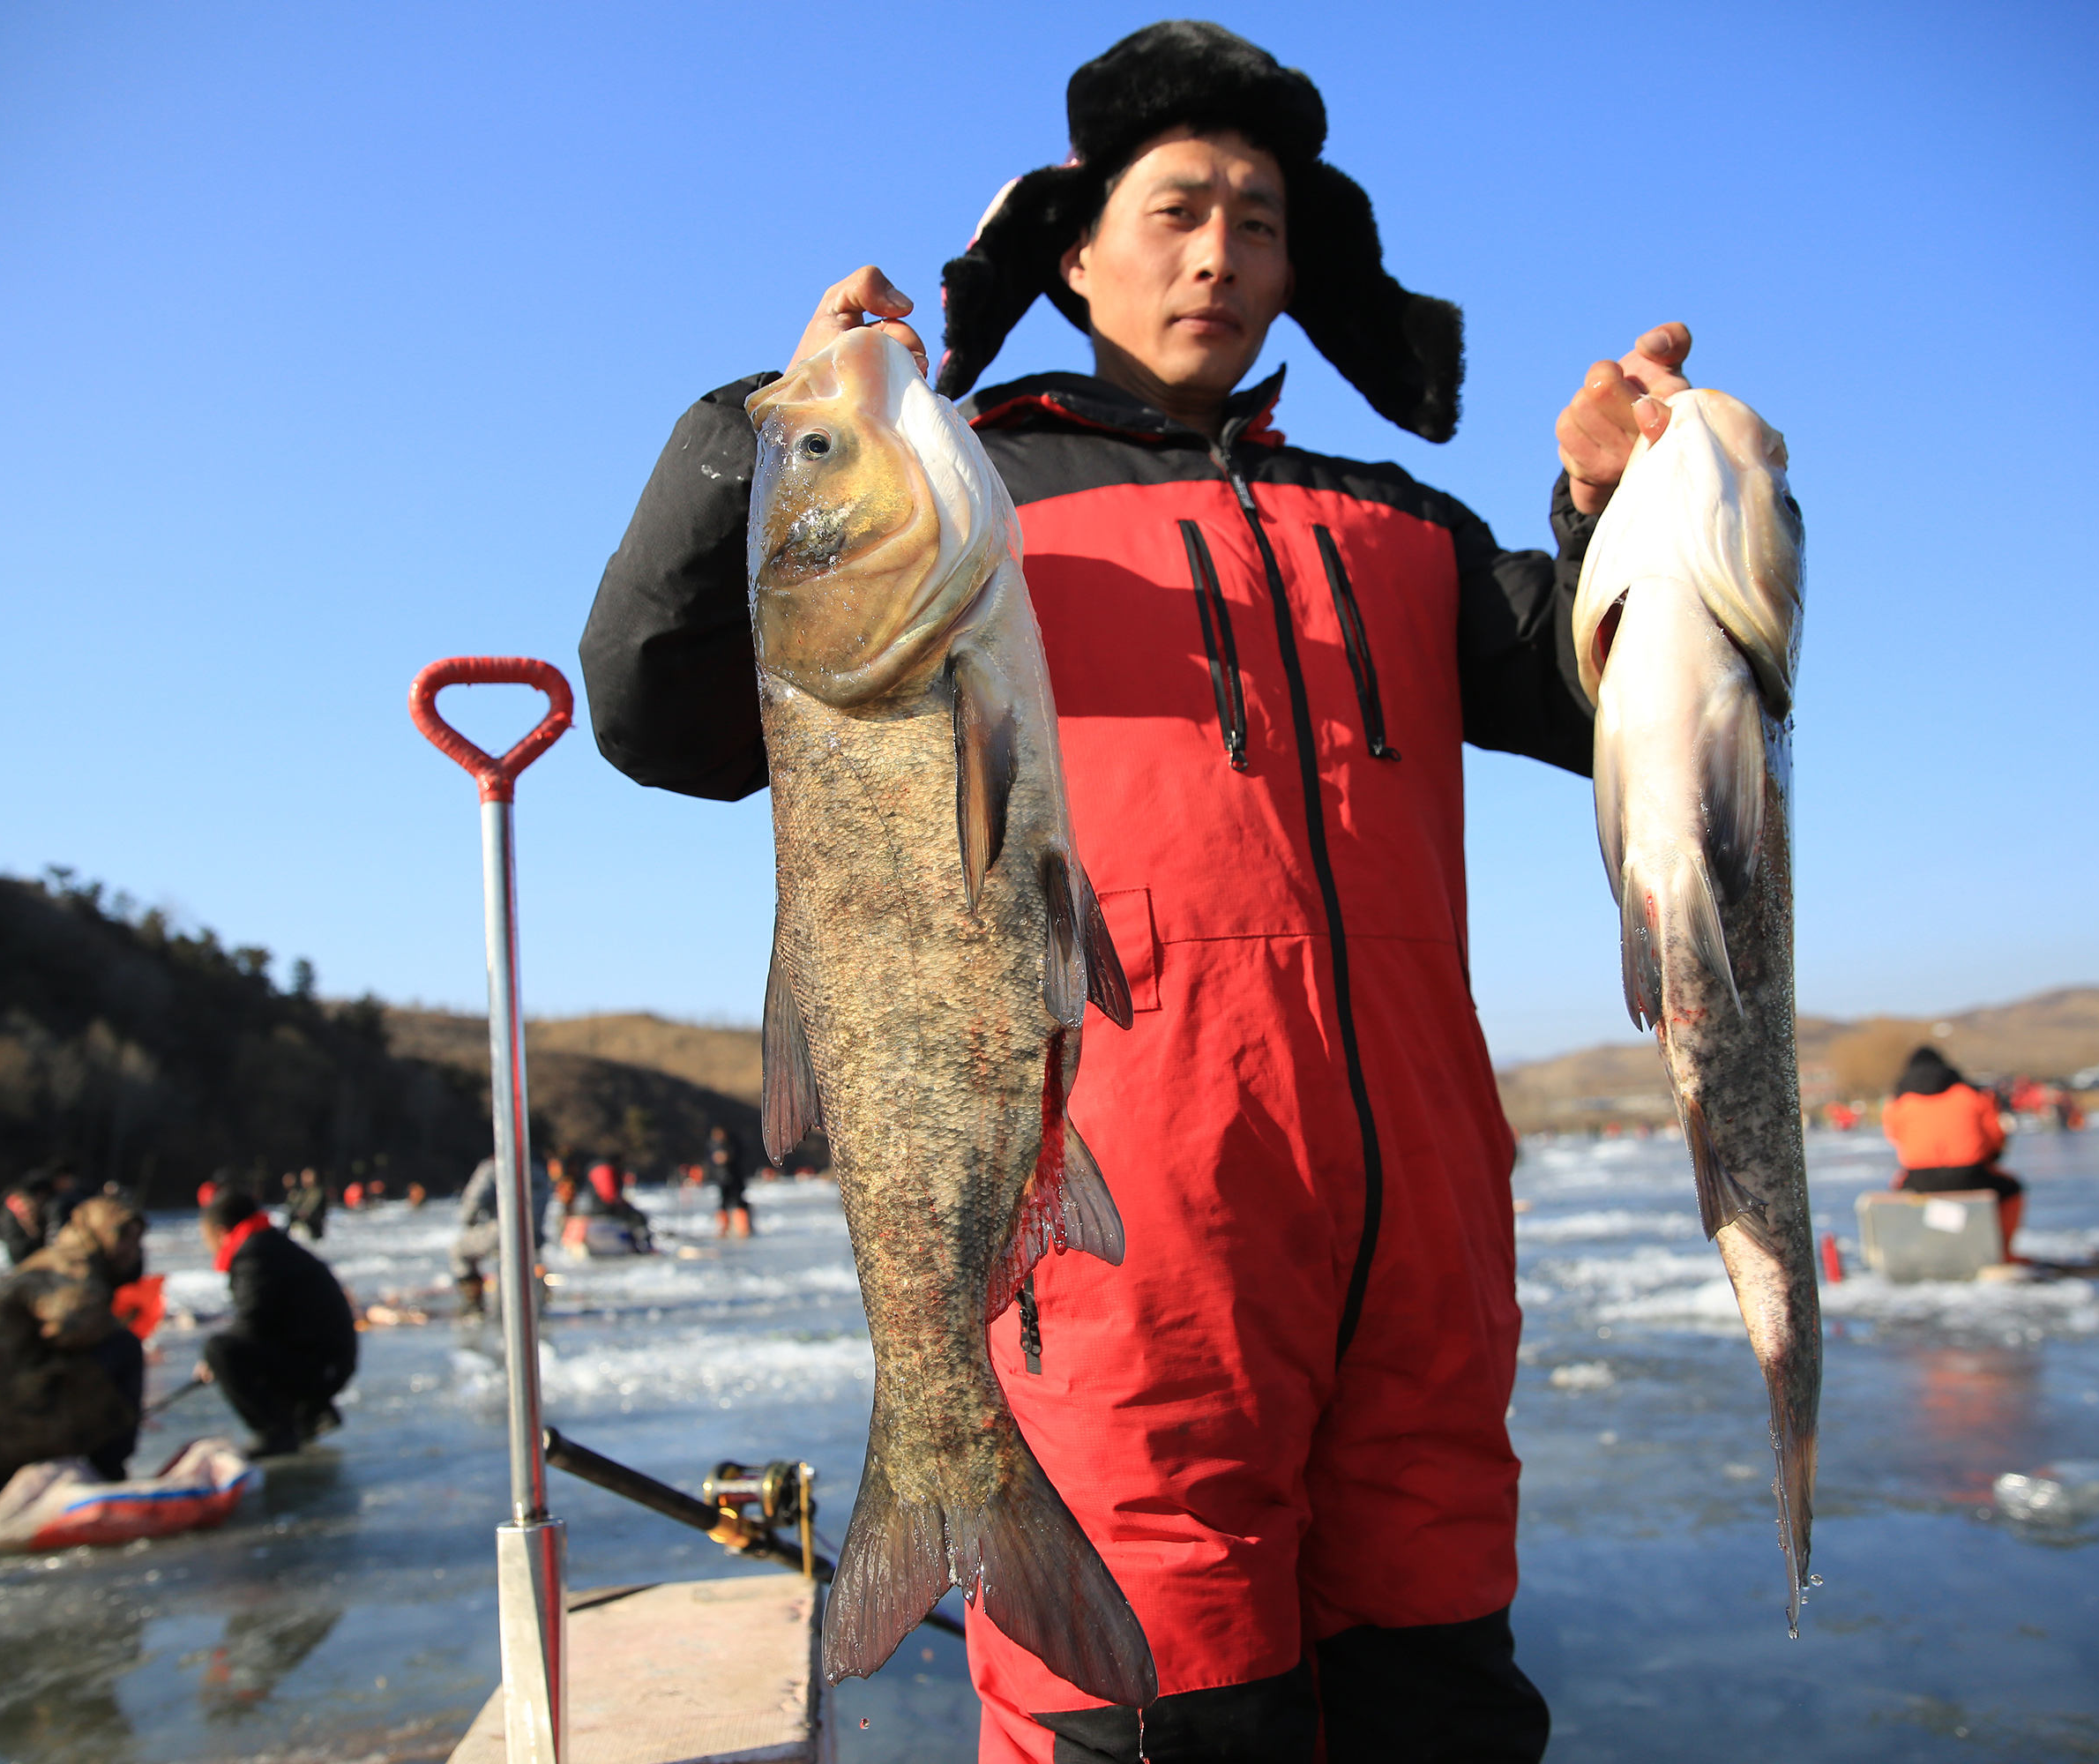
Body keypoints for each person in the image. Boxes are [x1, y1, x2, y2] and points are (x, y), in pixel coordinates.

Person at [577, 22, 1686, 1756]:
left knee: (1443, 1702)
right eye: (1176, 211)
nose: (1220, 253)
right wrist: (765, 429)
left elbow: (1623, 691)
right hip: (1124, 1254)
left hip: (1425, 1260)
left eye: (1259, 220)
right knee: (1162, 1713)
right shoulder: (954, 504)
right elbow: (662, 714)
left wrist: (1622, 505)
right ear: (1077, 249)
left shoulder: (1402, 529)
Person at [0, 1196, 148, 1552]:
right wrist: (116, 1319)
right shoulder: (71, 1266)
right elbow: (73, 1320)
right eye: (124, 1238)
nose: (132, 1250)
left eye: (137, 1240)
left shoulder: (34, 1267)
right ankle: (104, 1478)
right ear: (99, 1234)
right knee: (123, 1347)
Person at [193, 1189, 356, 1458]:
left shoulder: (255, 1253)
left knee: (219, 1349)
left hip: (323, 1364)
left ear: (221, 1232)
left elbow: (252, 1323)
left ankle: (276, 1432)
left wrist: (214, 1361)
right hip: (328, 1360)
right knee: (237, 1348)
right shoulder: (269, 1244)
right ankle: (310, 1412)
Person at [1883, 1046, 2026, 1259]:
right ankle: (2002, 1254)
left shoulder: (1898, 1100)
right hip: (1970, 1173)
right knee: (2012, 1189)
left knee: (1900, 1190)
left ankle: (1923, 1253)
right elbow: (1995, 1134)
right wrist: (1990, 1157)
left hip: (1919, 1178)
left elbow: (1896, 1137)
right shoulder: (1971, 1093)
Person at [449, 1153, 548, 1319]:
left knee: (458, 1250)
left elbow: (472, 1203)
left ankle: (474, 1302)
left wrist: (470, 1221)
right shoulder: (539, 1169)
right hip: (534, 1234)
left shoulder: (492, 1168)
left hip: (501, 1233)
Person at [707, 1125, 751, 1239]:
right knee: (723, 1203)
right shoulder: (712, 1145)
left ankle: (743, 1227)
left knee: (738, 1202)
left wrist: (729, 1157)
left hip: (735, 1178)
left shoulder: (733, 1144)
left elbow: (741, 1157)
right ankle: (723, 1228)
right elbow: (709, 1162)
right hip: (721, 1179)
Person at [288, 1167, 330, 1242]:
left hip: (313, 1229)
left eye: (308, 1176)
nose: (304, 1179)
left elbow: (311, 1209)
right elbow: (292, 1207)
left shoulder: (317, 1192)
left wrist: (304, 1213)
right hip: (299, 1226)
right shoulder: (300, 1192)